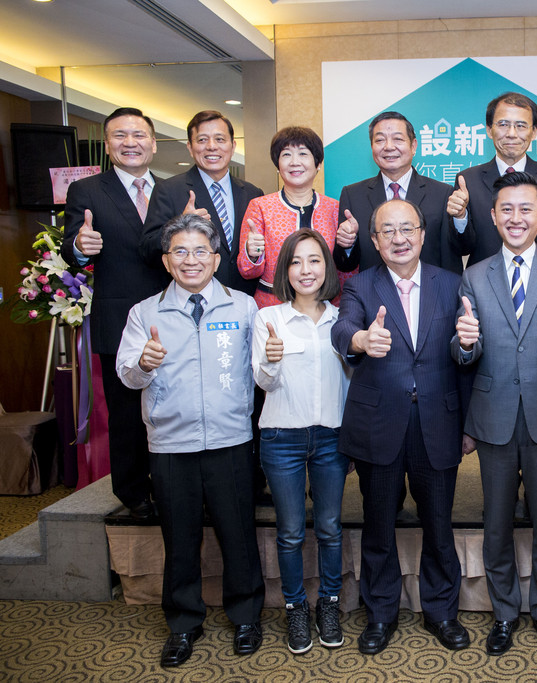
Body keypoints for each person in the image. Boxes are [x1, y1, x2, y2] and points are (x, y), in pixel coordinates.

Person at [116, 214, 264, 668]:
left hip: (230, 439)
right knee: (179, 539)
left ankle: (246, 617)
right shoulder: (144, 313)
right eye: (180, 251)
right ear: (166, 261)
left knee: (238, 534)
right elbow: (127, 375)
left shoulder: (243, 307)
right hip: (170, 444)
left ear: (216, 259)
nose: (191, 260)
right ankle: (183, 623)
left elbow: (261, 373)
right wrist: (144, 363)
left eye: (201, 251)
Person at [454, 171, 537, 657]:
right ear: (493, 216)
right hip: (493, 413)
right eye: (506, 209)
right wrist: (464, 344)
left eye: (526, 209)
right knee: (496, 524)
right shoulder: (474, 274)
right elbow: (462, 349)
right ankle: (505, 613)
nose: (516, 218)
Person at [332, 199, 470, 655]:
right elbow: (342, 329)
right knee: (378, 529)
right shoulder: (361, 285)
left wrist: (469, 348)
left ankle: (442, 611)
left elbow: (466, 352)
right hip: (379, 423)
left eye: (407, 228)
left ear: (423, 234)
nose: (399, 238)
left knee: (439, 527)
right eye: (387, 231)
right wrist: (360, 339)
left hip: (438, 422)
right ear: (374, 241)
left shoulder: (450, 283)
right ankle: (380, 614)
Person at [59, 106, 166, 520]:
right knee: (126, 413)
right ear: (107, 145)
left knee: (170, 406)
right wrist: (79, 246)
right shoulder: (87, 191)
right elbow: (72, 249)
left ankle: (170, 484)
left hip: (171, 316)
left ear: (153, 144)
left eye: (139, 135)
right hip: (119, 319)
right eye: (120, 135)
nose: (130, 142)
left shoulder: (173, 190)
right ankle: (133, 493)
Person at [252, 229, 348, 655]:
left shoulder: (342, 319)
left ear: (327, 266)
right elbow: (263, 382)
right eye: (295, 261)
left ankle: (329, 603)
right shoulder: (268, 319)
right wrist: (271, 361)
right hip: (281, 438)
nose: (305, 270)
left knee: (329, 528)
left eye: (314, 260)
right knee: (290, 532)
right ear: (284, 270)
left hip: (331, 438)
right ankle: (294, 607)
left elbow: (352, 380)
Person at [141, 110, 263, 295]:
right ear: (190, 147)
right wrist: (179, 224)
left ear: (233, 146)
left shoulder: (252, 193)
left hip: (245, 298)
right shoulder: (168, 190)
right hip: (192, 298)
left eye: (220, 139)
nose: (212, 146)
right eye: (202, 140)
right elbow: (147, 250)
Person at [334, 111, 466, 275]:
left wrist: (461, 217)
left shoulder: (442, 194)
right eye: (380, 140)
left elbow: (454, 254)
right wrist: (348, 244)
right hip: (374, 289)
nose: (389, 147)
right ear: (372, 147)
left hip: (430, 289)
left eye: (397, 139)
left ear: (413, 146)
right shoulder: (353, 195)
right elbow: (345, 265)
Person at [447, 92, 537, 266]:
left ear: (534, 132)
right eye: (503, 124)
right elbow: (461, 247)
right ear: (489, 130)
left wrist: (524, 270)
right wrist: (460, 217)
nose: (512, 134)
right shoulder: (467, 180)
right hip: (484, 279)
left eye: (521, 125)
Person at [237, 127, 350, 308]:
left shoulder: (335, 208)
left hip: (325, 308)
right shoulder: (260, 207)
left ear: (318, 164)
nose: (295, 162)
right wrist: (252, 254)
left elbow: (345, 273)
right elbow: (247, 271)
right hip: (272, 305)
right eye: (286, 155)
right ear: (278, 165)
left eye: (303, 154)